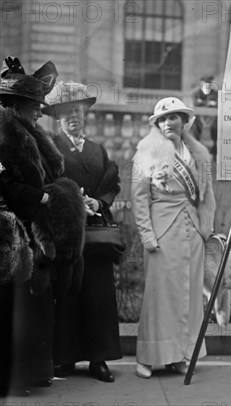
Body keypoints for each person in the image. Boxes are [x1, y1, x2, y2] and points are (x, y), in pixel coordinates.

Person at [41, 81, 123, 382]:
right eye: (66, 113)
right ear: (58, 119)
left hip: (96, 235)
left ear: (85, 115)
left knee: (98, 296)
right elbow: (46, 185)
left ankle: (98, 359)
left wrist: (97, 202)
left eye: (78, 111)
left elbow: (111, 185)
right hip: (67, 233)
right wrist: (74, 202)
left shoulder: (98, 150)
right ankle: (64, 359)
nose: (73, 117)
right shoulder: (51, 148)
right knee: (68, 293)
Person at [131, 97, 216, 379]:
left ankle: (180, 355)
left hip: (191, 230)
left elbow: (207, 197)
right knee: (159, 295)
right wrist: (146, 233)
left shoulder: (199, 154)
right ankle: (146, 357)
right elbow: (139, 197)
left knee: (189, 296)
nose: (168, 123)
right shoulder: (147, 150)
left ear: (184, 121)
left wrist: (206, 228)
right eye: (163, 119)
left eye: (173, 117)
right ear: (156, 123)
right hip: (162, 228)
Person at [0, 57, 62, 396]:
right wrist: (41, 199)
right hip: (10, 233)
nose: (39, 111)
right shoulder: (5, 133)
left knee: (29, 306)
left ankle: (31, 373)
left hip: (30, 232)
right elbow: (7, 184)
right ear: (18, 106)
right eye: (34, 105)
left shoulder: (27, 132)